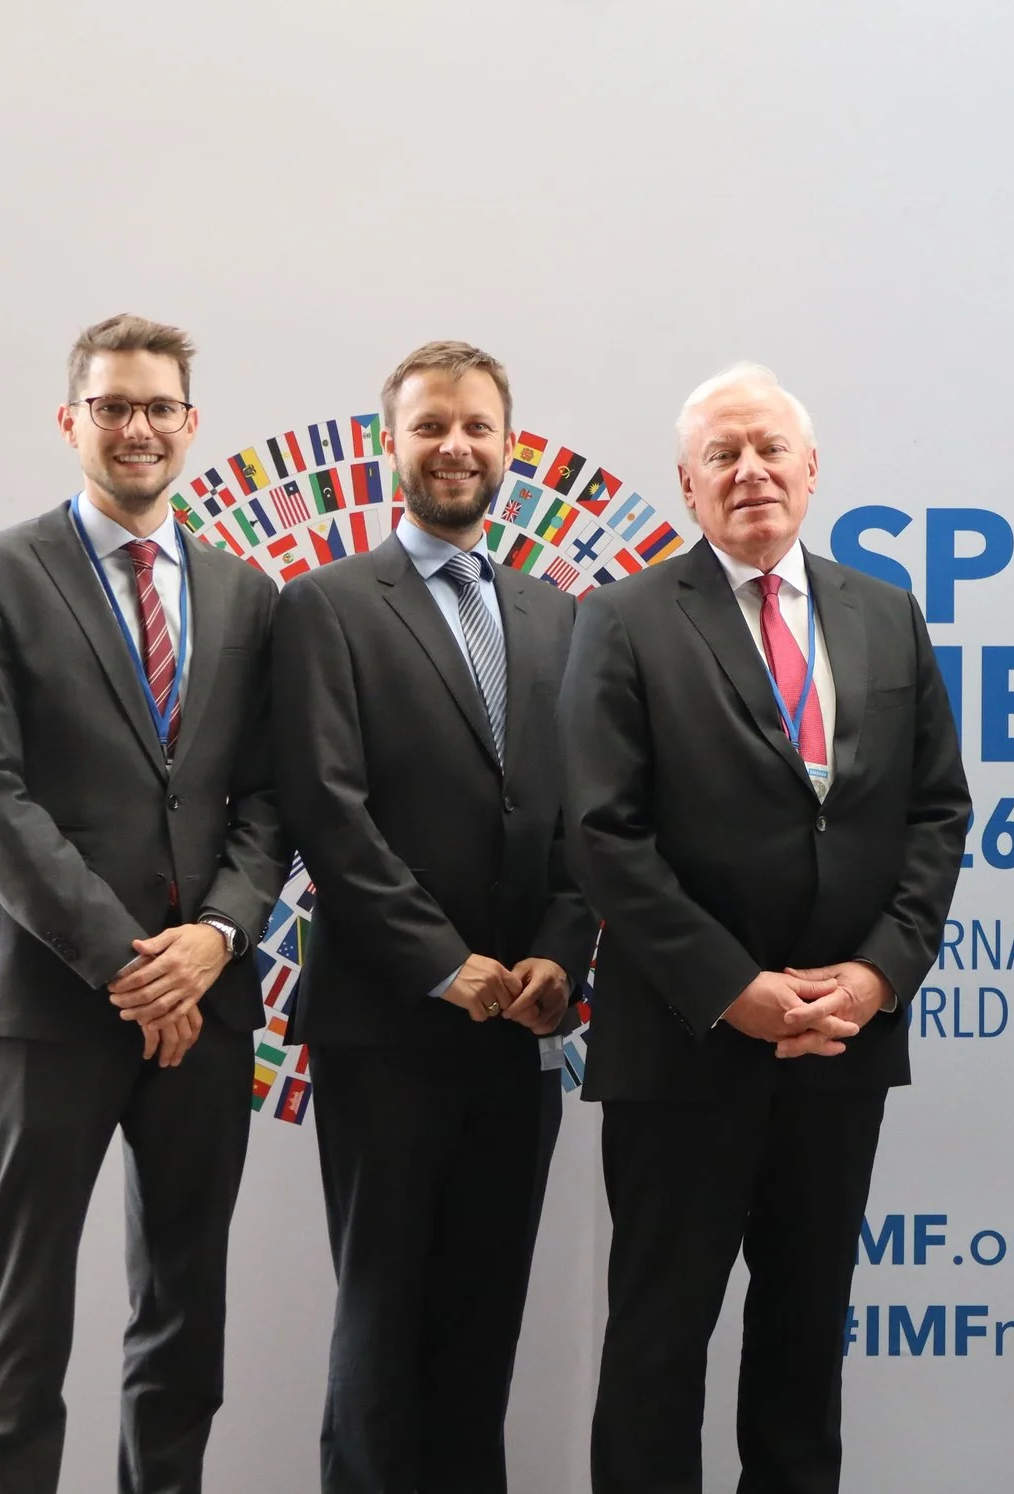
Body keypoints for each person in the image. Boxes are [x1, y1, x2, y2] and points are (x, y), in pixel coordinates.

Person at [561, 363, 971, 1492]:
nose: (750, 471)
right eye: (722, 456)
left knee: (801, 1346)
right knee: (657, 1348)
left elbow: (937, 812)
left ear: (811, 469)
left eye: (769, 449)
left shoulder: (883, 614)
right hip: (685, 1050)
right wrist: (734, 989)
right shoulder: (626, 619)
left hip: (840, 1049)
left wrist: (877, 979)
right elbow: (604, 834)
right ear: (687, 485)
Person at [0, 315, 286, 1493]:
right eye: (112, 406)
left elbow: (270, 798)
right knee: (23, 1314)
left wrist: (209, 942)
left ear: (190, 425)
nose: (137, 427)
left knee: (182, 1311)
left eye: (158, 407)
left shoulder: (247, 596)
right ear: (71, 422)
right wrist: (126, 964)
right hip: (46, 1009)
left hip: (207, 1006)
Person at [270, 341, 596, 1493]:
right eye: (430, 426)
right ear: (391, 445)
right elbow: (328, 813)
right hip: (389, 1024)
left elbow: (583, 823)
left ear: (510, 445)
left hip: (519, 1030)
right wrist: (443, 964)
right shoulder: (325, 608)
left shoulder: (561, 619)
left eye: (477, 426)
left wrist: (558, 955)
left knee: (481, 1321)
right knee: (381, 1324)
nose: (455, 446)